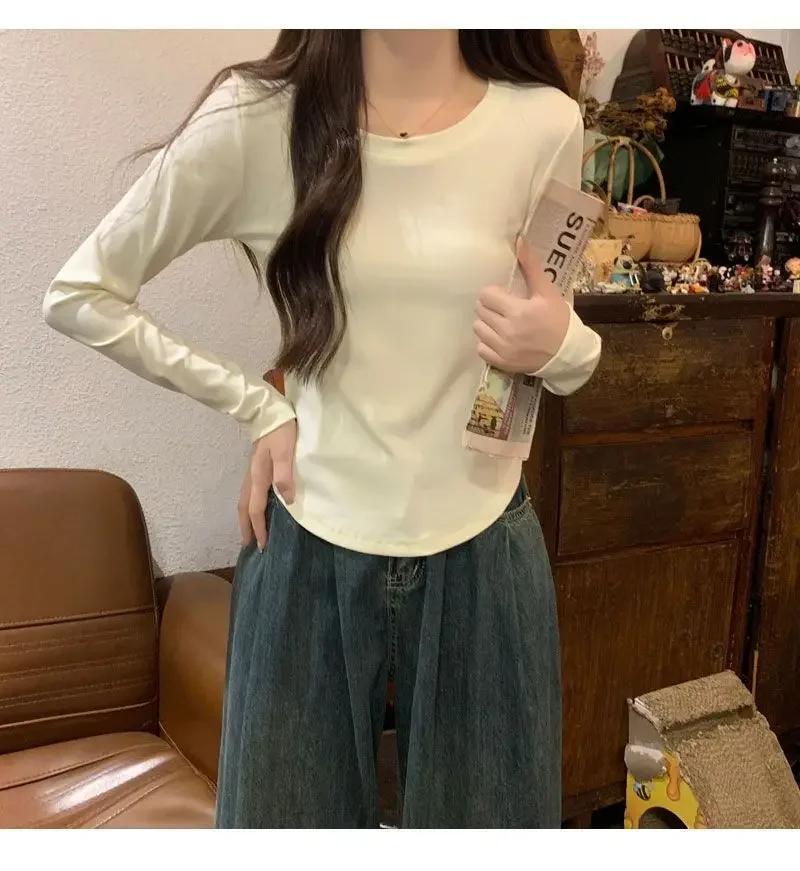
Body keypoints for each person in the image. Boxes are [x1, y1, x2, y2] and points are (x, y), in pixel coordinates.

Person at [42, 29, 602, 828]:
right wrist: (258, 405)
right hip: (308, 542)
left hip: (484, 544)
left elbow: (543, 338)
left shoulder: (544, 124)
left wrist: (564, 345)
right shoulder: (258, 118)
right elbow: (81, 293)